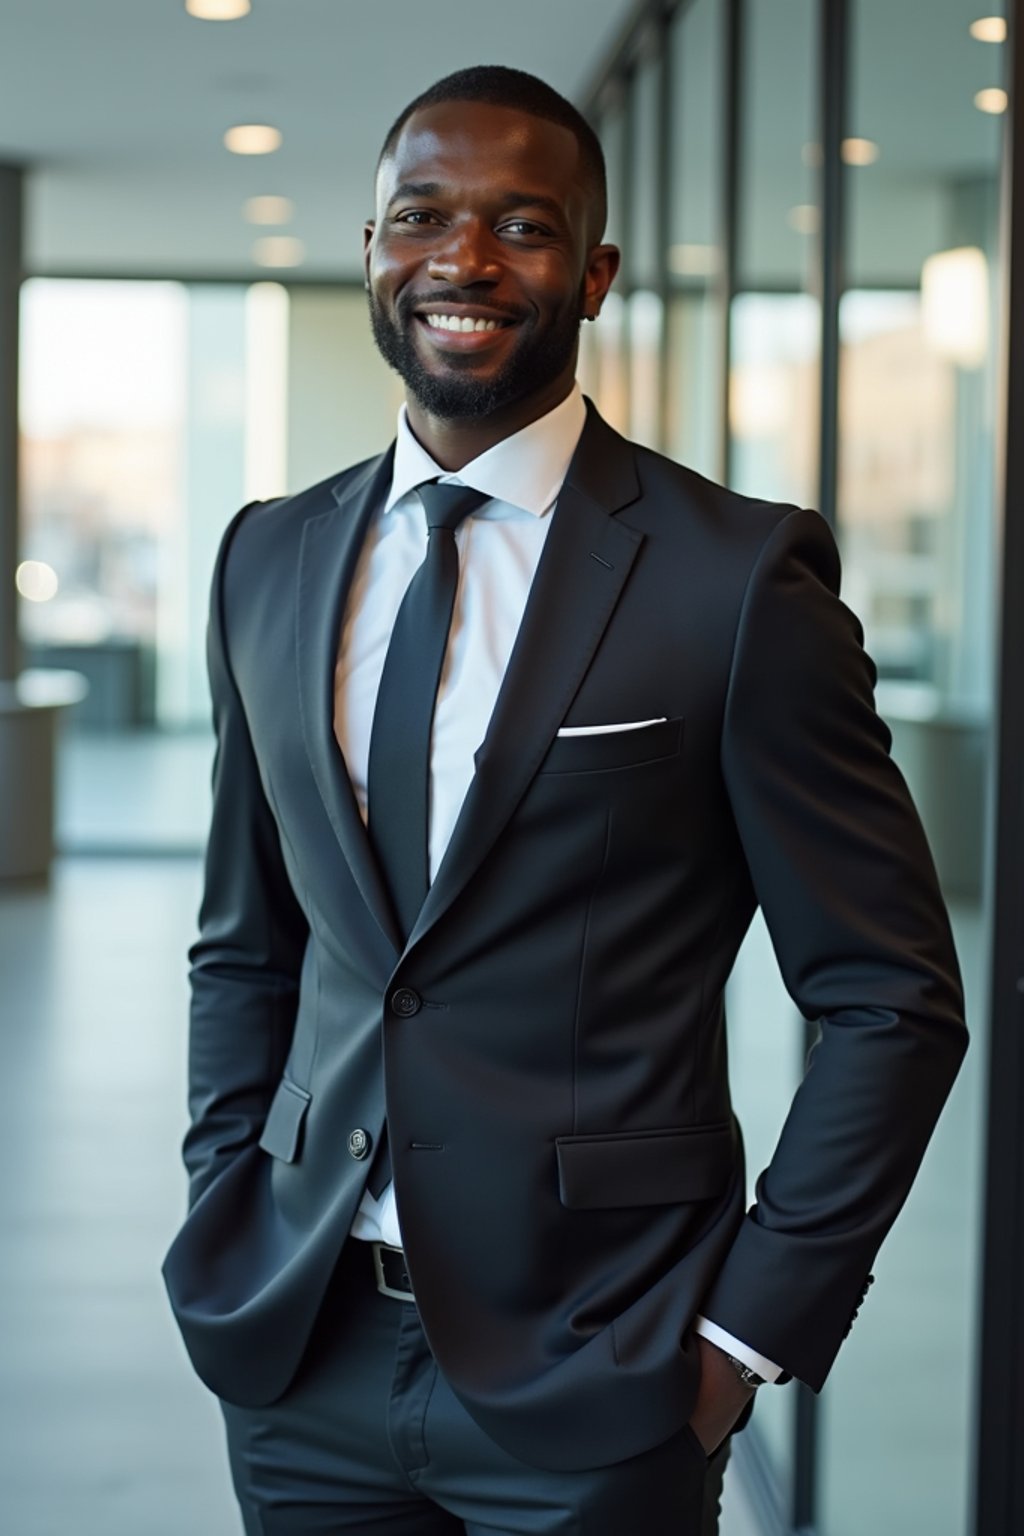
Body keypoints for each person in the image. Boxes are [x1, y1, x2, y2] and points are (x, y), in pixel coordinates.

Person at [163, 64, 968, 1536]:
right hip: (301, 1348)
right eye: (423, 216)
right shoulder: (265, 561)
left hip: (606, 1365)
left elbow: (889, 997)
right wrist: (227, 1195)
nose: (463, 260)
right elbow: (246, 942)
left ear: (593, 275)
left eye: (521, 227)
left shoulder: (734, 582)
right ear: (371, 251)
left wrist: (741, 1336)